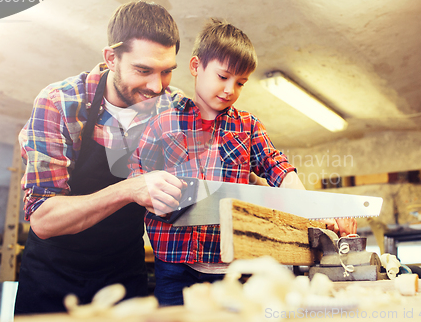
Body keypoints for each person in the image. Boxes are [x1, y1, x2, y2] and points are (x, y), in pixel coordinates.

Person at [129, 19, 357, 306]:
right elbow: (137, 177)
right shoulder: (163, 122)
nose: (229, 90)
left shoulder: (248, 126)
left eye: (240, 83)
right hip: (175, 266)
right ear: (196, 66)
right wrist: (152, 197)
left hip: (234, 267)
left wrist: (313, 209)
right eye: (223, 77)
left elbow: (279, 169)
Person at [14, 1, 187, 314]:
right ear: (111, 58)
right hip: (52, 278)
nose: (156, 86)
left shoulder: (174, 108)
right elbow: (43, 219)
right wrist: (129, 189)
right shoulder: (60, 103)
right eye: (143, 70)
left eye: (166, 72)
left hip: (124, 275)